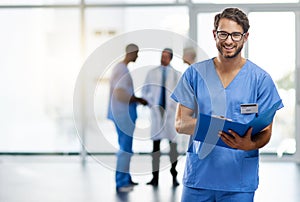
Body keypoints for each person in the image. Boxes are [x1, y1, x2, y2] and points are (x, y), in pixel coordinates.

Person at [171, 8, 283, 202]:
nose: (229, 41)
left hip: (238, 182)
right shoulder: (195, 74)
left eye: (235, 35)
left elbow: (266, 130)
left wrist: (251, 144)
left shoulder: (260, 80)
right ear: (215, 34)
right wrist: (211, 124)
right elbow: (181, 124)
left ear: (245, 37)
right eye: (223, 33)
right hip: (199, 179)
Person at [107, 43, 148, 193]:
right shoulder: (121, 69)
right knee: (125, 149)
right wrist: (139, 100)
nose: (137, 56)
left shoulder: (122, 68)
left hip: (124, 114)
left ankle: (126, 178)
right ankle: (121, 182)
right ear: (130, 53)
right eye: (136, 53)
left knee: (127, 148)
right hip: (122, 115)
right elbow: (120, 94)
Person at [142, 48, 182, 187]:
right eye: (162, 56)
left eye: (166, 57)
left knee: (173, 148)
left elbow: (180, 94)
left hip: (171, 114)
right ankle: (155, 178)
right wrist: (151, 101)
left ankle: (174, 176)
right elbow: (145, 91)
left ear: (170, 58)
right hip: (156, 112)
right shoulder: (152, 73)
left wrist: (173, 106)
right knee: (156, 148)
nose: (163, 59)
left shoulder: (176, 74)